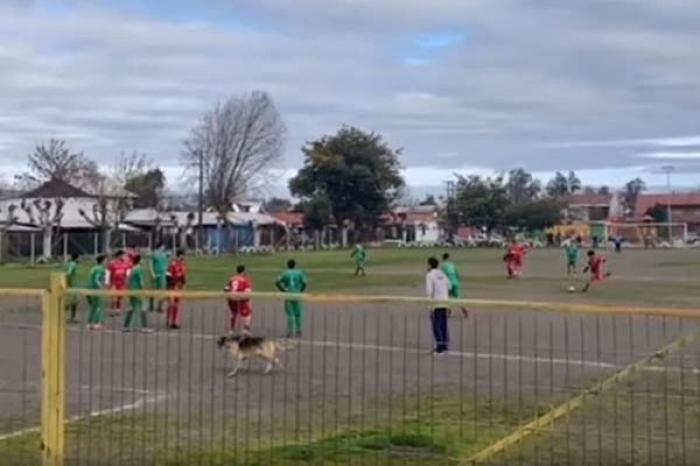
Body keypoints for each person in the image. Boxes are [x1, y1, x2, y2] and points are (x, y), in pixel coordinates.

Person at [276, 259, 308, 338]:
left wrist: (282, 289)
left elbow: (277, 282)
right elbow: (305, 283)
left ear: (288, 265)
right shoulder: (299, 272)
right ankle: (298, 330)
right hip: (297, 294)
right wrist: (301, 290)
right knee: (298, 314)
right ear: (295, 265)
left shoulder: (285, 273)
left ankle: (290, 331)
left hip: (288, 294)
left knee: (290, 314)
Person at [426, 257, 450, 355]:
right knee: (443, 325)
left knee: (436, 326)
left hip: (436, 303)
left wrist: (429, 305)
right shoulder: (442, 273)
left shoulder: (430, 275)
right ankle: (445, 345)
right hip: (445, 302)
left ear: (430, 265)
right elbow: (450, 286)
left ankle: (440, 348)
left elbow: (429, 291)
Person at [123, 255, 152, 333]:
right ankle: (144, 327)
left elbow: (127, 280)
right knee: (144, 308)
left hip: (132, 291)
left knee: (131, 308)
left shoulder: (133, 268)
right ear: (139, 260)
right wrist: (144, 291)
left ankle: (126, 326)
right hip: (137, 291)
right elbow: (141, 282)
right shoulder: (139, 269)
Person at [224, 265, 253, 334]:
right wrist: (247, 300)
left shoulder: (232, 279)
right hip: (240, 299)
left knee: (233, 314)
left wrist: (229, 296)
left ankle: (232, 330)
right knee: (248, 314)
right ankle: (245, 330)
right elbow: (248, 292)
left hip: (231, 299)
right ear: (243, 271)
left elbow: (226, 289)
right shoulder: (245, 280)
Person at [166, 249, 187, 330]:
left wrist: (183, 284)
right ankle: (168, 321)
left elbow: (183, 275)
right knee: (171, 304)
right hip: (172, 287)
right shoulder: (172, 264)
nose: (184, 257)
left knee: (177, 304)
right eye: (183, 255)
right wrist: (171, 285)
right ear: (180, 255)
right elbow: (168, 275)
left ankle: (174, 322)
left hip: (179, 287)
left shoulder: (182, 264)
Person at [86, 255, 107, 330]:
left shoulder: (93, 268)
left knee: (92, 307)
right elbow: (96, 279)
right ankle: (96, 323)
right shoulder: (101, 269)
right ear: (102, 261)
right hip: (95, 290)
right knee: (97, 306)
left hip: (88, 289)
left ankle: (89, 323)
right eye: (105, 260)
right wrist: (101, 287)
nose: (106, 262)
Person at [107, 250, 130, 316]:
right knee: (113, 297)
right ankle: (112, 310)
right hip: (114, 282)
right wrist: (107, 282)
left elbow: (127, 272)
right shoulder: (112, 263)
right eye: (123, 255)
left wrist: (127, 280)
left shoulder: (125, 263)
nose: (124, 257)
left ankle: (117, 310)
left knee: (119, 297)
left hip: (122, 283)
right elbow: (108, 273)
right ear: (119, 256)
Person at [149, 242, 170, 313]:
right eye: (163, 246)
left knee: (162, 290)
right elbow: (151, 263)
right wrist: (152, 273)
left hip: (162, 274)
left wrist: (167, 271)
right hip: (156, 273)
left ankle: (160, 306)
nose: (164, 248)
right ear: (160, 246)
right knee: (153, 290)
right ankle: (151, 305)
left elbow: (166, 263)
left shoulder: (164, 254)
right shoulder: (155, 253)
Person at [65, 253, 80, 323]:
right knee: (74, 301)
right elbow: (68, 273)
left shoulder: (71, 264)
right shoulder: (72, 264)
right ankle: (71, 317)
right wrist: (69, 282)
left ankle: (71, 316)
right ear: (76, 258)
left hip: (73, 285)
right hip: (73, 286)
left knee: (74, 301)